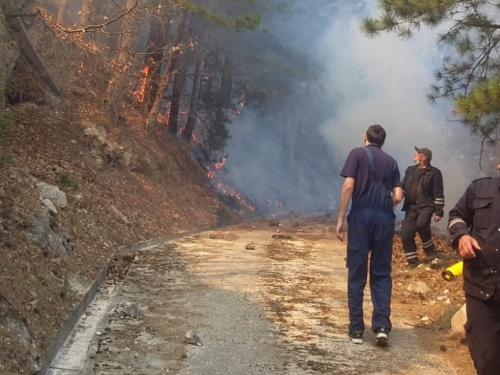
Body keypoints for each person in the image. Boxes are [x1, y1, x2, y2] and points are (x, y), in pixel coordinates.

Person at [336, 124, 402, 347]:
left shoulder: (357, 154)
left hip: (361, 219)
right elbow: (398, 195)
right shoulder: (392, 162)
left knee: (357, 273)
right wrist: (386, 206)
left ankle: (356, 329)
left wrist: (341, 218)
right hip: (384, 220)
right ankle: (382, 326)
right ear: (382, 141)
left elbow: (348, 186)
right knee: (381, 273)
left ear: (365, 137)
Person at [448, 167, 500, 375]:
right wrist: (462, 236)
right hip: (481, 289)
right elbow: (456, 216)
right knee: (487, 360)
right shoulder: (479, 188)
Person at [400, 147, 445, 268]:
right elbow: (402, 187)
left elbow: (438, 193)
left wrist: (439, 211)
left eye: (418, 153)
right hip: (411, 207)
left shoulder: (434, 173)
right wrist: (396, 198)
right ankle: (413, 262)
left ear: (424, 157)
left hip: (427, 206)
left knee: (421, 225)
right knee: (405, 233)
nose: (415, 154)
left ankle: (430, 251)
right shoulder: (410, 170)